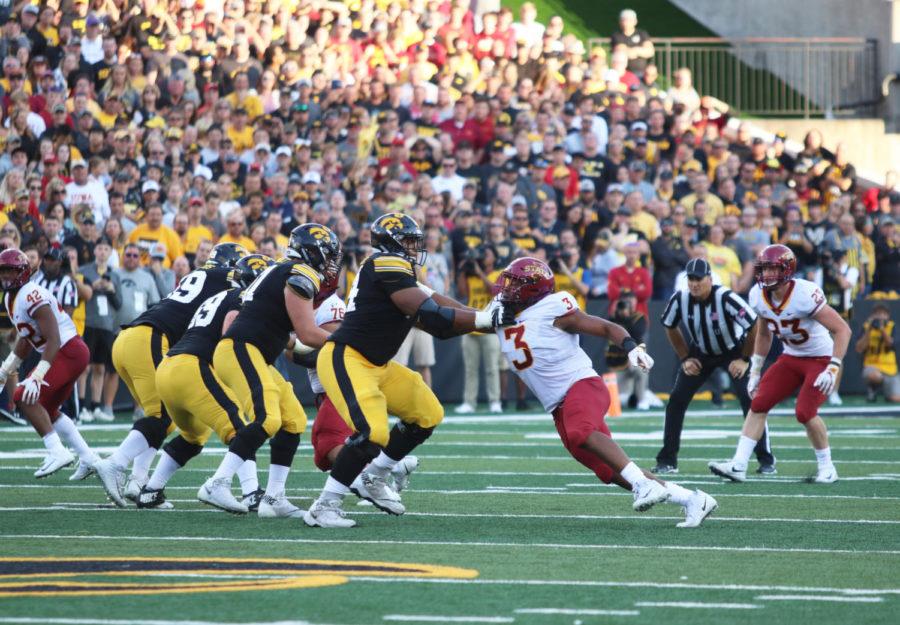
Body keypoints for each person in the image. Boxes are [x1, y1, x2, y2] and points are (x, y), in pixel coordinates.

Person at [303, 213, 514, 528]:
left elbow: (444, 314)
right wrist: (485, 320)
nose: (415, 247)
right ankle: (324, 506)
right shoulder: (385, 264)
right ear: (391, 243)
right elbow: (434, 314)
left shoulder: (400, 277)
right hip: (348, 358)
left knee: (427, 412)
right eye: (410, 241)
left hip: (378, 364)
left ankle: (375, 475)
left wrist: (491, 318)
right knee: (373, 433)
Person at [494, 257, 717, 528]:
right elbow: (462, 322)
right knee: (608, 470)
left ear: (534, 289)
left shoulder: (553, 307)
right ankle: (693, 500)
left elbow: (605, 327)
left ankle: (642, 484)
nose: (507, 289)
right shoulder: (498, 311)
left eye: (516, 284)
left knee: (581, 433)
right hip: (557, 406)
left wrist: (632, 347)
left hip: (581, 386)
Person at [196, 225, 343, 516]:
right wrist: (349, 341)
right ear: (311, 252)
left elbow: (290, 338)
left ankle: (274, 498)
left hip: (252, 351)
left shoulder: (283, 270)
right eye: (327, 255)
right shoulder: (299, 273)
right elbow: (308, 332)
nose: (331, 263)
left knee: (293, 420)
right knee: (269, 418)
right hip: (241, 348)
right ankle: (217, 482)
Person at [94, 243, 248, 507]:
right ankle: (115, 464)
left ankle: (138, 482)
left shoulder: (199, 275)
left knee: (161, 418)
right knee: (162, 417)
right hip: (149, 338)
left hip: (131, 339)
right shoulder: (226, 281)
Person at [139, 255, 274, 510]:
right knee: (241, 428)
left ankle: (150, 490)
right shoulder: (241, 298)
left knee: (194, 436)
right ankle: (251, 492)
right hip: (192, 367)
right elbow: (229, 336)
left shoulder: (217, 297)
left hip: (169, 369)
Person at [709, 245, 852, 484]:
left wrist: (833, 366)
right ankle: (738, 464)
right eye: (764, 270)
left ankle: (827, 467)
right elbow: (764, 334)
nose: (767, 275)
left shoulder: (805, 293)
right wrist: (755, 370)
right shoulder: (757, 295)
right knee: (759, 403)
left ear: (787, 269)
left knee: (804, 412)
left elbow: (842, 329)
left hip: (820, 358)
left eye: (773, 269)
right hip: (791, 356)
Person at [656, 258, 775, 474]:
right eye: (690, 279)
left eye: (698, 279)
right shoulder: (681, 298)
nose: (694, 283)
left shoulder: (725, 297)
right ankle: (667, 459)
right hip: (701, 352)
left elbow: (753, 325)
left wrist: (744, 359)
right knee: (676, 401)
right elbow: (669, 325)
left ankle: (766, 460)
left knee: (751, 401)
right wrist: (685, 358)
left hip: (733, 351)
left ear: (709, 279)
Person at [0, 248, 99, 480]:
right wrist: (6, 370)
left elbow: (53, 338)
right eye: (2, 271)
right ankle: (89, 458)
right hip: (63, 352)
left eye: (10, 271)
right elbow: (26, 338)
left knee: (23, 397)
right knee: (48, 410)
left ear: (22, 273)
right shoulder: (10, 298)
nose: (5, 276)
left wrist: (37, 375)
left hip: (68, 350)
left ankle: (57, 451)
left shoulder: (30, 294)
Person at [455, 244, 503, 414]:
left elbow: (494, 291)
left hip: (489, 325)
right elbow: (461, 293)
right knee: (470, 368)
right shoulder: (471, 275)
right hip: (471, 325)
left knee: (492, 367)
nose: (483, 258)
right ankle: (469, 402)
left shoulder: (498, 274)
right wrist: (462, 269)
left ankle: (495, 401)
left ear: (494, 258)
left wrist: (479, 271)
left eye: (487, 254)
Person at [80, 237, 122, 423]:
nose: (103, 252)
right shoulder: (84, 270)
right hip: (88, 323)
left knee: (100, 367)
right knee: (84, 368)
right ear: (95, 251)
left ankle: (96, 406)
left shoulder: (115, 275)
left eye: (106, 248)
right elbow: (80, 296)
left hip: (106, 326)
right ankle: (82, 405)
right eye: (100, 248)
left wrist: (112, 289)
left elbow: (119, 304)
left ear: (110, 252)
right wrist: (92, 287)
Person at [605, 291, 649, 410]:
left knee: (641, 368)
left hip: (633, 357)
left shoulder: (639, 317)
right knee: (617, 398)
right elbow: (606, 330)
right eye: (625, 302)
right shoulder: (613, 319)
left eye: (631, 300)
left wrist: (626, 317)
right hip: (617, 362)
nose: (627, 304)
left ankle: (642, 399)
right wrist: (616, 314)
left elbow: (637, 334)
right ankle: (630, 396)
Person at [855, 305, 899, 403]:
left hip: (890, 369)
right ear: (872, 316)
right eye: (877, 314)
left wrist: (882, 329)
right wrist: (869, 330)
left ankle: (887, 393)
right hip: (872, 366)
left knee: (895, 398)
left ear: (888, 316)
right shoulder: (866, 327)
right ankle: (872, 388)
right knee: (874, 376)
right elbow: (859, 348)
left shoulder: (892, 326)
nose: (880, 317)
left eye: (883, 314)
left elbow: (891, 344)